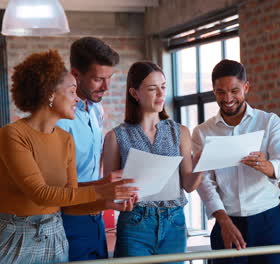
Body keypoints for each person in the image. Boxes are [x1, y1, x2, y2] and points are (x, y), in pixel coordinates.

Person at [0, 50, 137, 264]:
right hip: (18, 239)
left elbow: (70, 202)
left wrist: (108, 203)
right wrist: (102, 190)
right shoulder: (12, 134)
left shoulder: (65, 139)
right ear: (50, 94)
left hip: (57, 235)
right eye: (72, 91)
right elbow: (40, 194)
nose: (77, 99)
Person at [193, 59, 280, 264]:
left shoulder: (269, 121)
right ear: (214, 91)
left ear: (246, 87)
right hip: (226, 221)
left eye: (234, 90)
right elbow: (205, 182)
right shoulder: (203, 132)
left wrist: (268, 166)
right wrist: (223, 221)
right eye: (220, 92)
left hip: (267, 221)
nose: (228, 98)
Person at [102, 61, 202, 262]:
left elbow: (189, 185)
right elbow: (108, 192)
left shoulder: (180, 132)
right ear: (135, 93)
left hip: (174, 222)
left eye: (163, 87)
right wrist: (121, 198)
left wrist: (203, 164)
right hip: (135, 222)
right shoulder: (115, 137)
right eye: (152, 88)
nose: (161, 94)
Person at [56, 37, 121, 261]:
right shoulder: (60, 121)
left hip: (97, 217)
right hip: (68, 219)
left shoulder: (96, 110)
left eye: (109, 78)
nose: (106, 87)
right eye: (98, 79)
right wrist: (104, 187)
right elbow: (55, 188)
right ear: (76, 75)